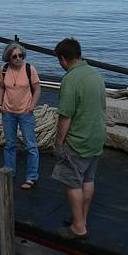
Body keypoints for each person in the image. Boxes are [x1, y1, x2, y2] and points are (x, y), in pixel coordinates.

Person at [52, 38, 106, 240]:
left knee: (72, 181)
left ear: (63, 59)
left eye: (59, 61)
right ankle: (81, 218)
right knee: (88, 179)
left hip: (78, 141)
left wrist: (59, 142)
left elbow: (65, 115)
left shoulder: (70, 79)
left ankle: (78, 228)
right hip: (96, 137)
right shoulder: (96, 74)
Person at [0, 42, 41, 189]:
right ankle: (10, 172)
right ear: (8, 58)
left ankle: (31, 177)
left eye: (20, 55)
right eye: (14, 56)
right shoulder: (3, 69)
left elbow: (37, 89)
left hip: (25, 113)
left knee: (31, 146)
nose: (18, 58)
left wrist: (32, 107)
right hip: (8, 113)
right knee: (10, 145)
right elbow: (1, 87)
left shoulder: (30, 69)